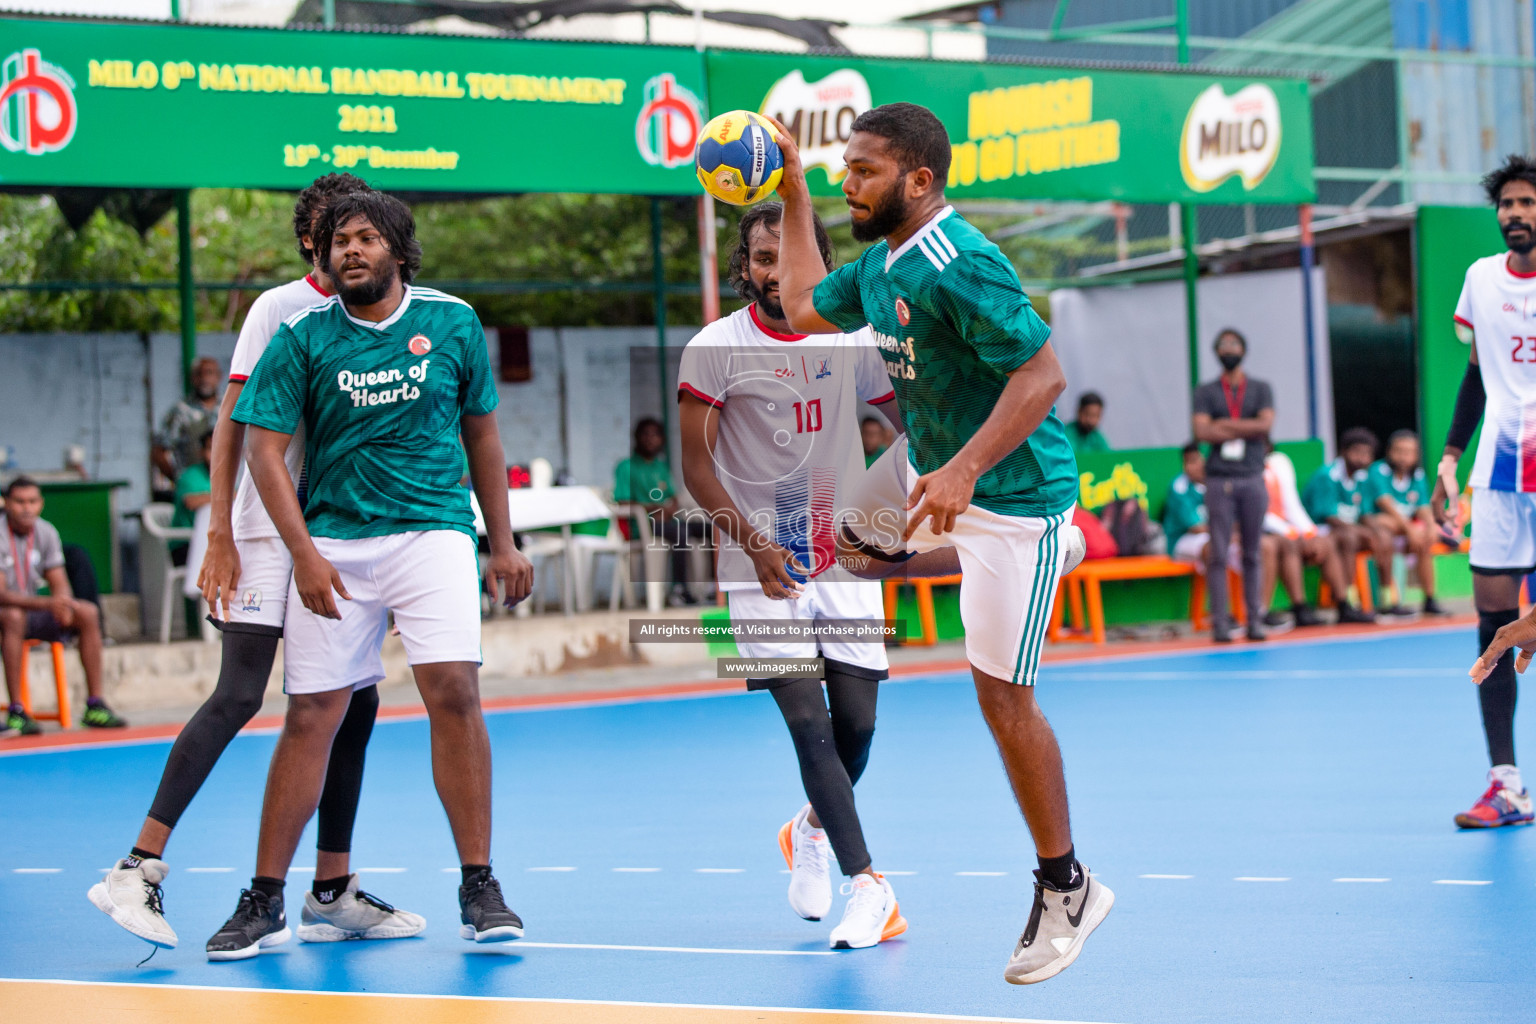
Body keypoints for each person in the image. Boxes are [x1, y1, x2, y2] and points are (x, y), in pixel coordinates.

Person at [769, 101, 1106, 986]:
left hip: (1015, 495)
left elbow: (1044, 375)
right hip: (932, 464)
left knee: (1002, 700)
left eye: (864, 171)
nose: (851, 183)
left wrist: (962, 471)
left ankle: (1066, 885)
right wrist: (796, 185)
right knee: (850, 545)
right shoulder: (880, 261)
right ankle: (1024, 565)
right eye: (843, 169)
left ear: (919, 181)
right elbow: (803, 303)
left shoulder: (964, 265)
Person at [88, 174, 425, 953]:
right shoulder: (280, 308)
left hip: (338, 533)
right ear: (312, 238)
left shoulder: (387, 308)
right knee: (239, 692)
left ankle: (332, 888)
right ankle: (137, 866)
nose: (345, 239)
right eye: (332, 228)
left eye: (359, 226)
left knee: (356, 704)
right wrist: (219, 534)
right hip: (265, 534)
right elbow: (235, 428)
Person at [212, 189, 533, 960]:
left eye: (364, 238)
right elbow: (262, 450)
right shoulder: (301, 336)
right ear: (321, 260)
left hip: (432, 533)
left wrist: (502, 541)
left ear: (397, 248)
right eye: (336, 243)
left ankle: (479, 885)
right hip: (336, 544)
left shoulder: (451, 322)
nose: (349, 250)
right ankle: (263, 901)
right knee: (312, 715)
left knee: (454, 691)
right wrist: (305, 556)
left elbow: (483, 435)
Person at [678, 202, 905, 949]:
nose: (774, 269)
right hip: (758, 565)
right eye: (762, 256)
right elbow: (695, 467)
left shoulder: (851, 338)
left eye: (788, 253)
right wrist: (754, 542)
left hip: (840, 555)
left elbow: (909, 423)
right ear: (744, 266)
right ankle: (869, 884)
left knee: (858, 730)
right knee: (808, 725)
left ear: (817, 260)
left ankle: (809, 829)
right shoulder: (715, 348)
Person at [1435, 155, 1536, 830]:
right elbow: (1477, 373)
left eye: (1527, 203)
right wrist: (1448, 454)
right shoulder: (1479, 279)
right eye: (1506, 205)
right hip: (1499, 476)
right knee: (1496, 620)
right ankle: (1506, 785)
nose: (1516, 214)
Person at [1, 476, 125, 734]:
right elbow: (2, 595)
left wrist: (64, 605)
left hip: (33, 611)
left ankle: (95, 705)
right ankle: (17, 710)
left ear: (41, 504)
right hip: (7, 615)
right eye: (20, 501)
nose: (26, 508)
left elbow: (59, 582)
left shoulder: (45, 531)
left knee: (87, 612)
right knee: (12, 615)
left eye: (32, 501)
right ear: (6, 504)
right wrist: (49, 602)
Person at [1191, 328, 1274, 642]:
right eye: (1223, 345)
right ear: (1216, 352)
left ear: (1243, 349)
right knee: (1219, 553)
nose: (1229, 349)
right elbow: (1201, 431)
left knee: (1253, 552)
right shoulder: (1206, 391)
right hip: (1219, 479)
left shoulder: (1261, 388)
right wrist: (1246, 428)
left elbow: (1266, 425)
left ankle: (1255, 620)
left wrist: (1223, 425)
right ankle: (1221, 624)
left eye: (1234, 344)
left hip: (1252, 476)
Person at [1263, 445, 1374, 627]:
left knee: (1324, 543)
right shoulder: (1240, 470)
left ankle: (1343, 604)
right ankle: (1299, 607)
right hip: (1264, 532)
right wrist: (1290, 532)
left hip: (1286, 531)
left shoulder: (1278, 463)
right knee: (1288, 544)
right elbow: (1258, 514)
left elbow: (1292, 504)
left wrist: (1310, 533)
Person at [1165, 442, 1283, 614]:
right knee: (1215, 549)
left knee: (1265, 547)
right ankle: (1223, 614)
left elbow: (1237, 519)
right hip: (1183, 541)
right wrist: (1229, 534)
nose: (1192, 467)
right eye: (1188, 463)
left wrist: (1235, 533)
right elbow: (1196, 527)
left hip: (1221, 535)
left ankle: (1260, 612)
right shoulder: (1179, 487)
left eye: (1196, 461)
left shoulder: (1221, 483)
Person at [614, 418, 708, 605]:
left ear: (662, 439)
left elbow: (673, 498)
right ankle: (679, 590)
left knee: (711, 529)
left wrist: (668, 510)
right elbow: (623, 501)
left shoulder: (660, 466)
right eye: (646, 434)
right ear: (636, 437)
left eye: (655, 434)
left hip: (666, 521)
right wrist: (656, 509)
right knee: (680, 532)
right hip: (640, 525)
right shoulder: (626, 466)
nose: (650, 439)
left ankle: (714, 587)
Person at [1304, 427, 1394, 612]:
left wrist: (1375, 531)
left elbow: (1365, 514)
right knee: (1349, 536)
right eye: (1357, 452)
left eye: (1367, 454)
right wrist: (1360, 530)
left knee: (1384, 536)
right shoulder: (1327, 476)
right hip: (1321, 531)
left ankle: (1387, 600)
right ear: (1343, 451)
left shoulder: (1363, 477)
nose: (1362, 458)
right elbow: (1329, 517)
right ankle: (1349, 599)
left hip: (1349, 529)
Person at [1362, 430, 1444, 618]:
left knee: (1424, 539)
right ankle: (1388, 600)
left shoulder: (1417, 475)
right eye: (1399, 451)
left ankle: (1429, 599)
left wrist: (1431, 527)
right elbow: (1384, 504)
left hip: (1406, 533)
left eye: (1409, 452)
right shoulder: (1378, 470)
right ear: (1389, 451)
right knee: (1387, 523)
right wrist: (1410, 529)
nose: (1403, 457)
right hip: (1377, 530)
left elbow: (1423, 507)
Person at [152, 356, 224, 491]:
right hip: (193, 488)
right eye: (199, 373)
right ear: (192, 378)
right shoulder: (180, 412)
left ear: (219, 376)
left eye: (209, 373)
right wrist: (179, 480)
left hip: (228, 484)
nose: (204, 378)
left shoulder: (229, 408)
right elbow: (158, 452)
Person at [1065, 392, 1110, 456]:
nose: (1091, 421)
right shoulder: (1065, 434)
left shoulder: (1098, 438)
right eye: (1088, 415)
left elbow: (1107, 458)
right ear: (1079, 411)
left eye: (1096, 416)